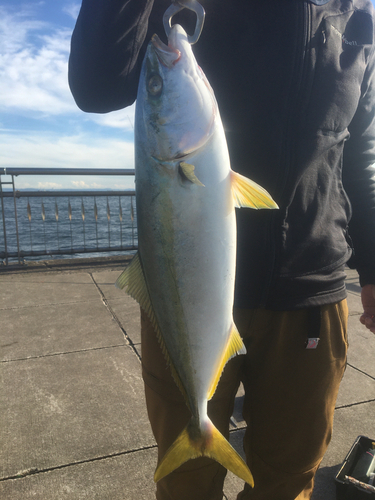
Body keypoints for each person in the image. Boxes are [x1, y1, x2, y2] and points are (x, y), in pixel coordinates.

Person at [68, 1, 375, 499]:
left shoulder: (357, 16)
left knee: (288, 481)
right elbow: (97, 85)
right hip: (181, 298)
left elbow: (357, 153)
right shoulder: (183, 14)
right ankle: (199, 426)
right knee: (185, 486)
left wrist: (374, 267)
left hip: (312, 292)